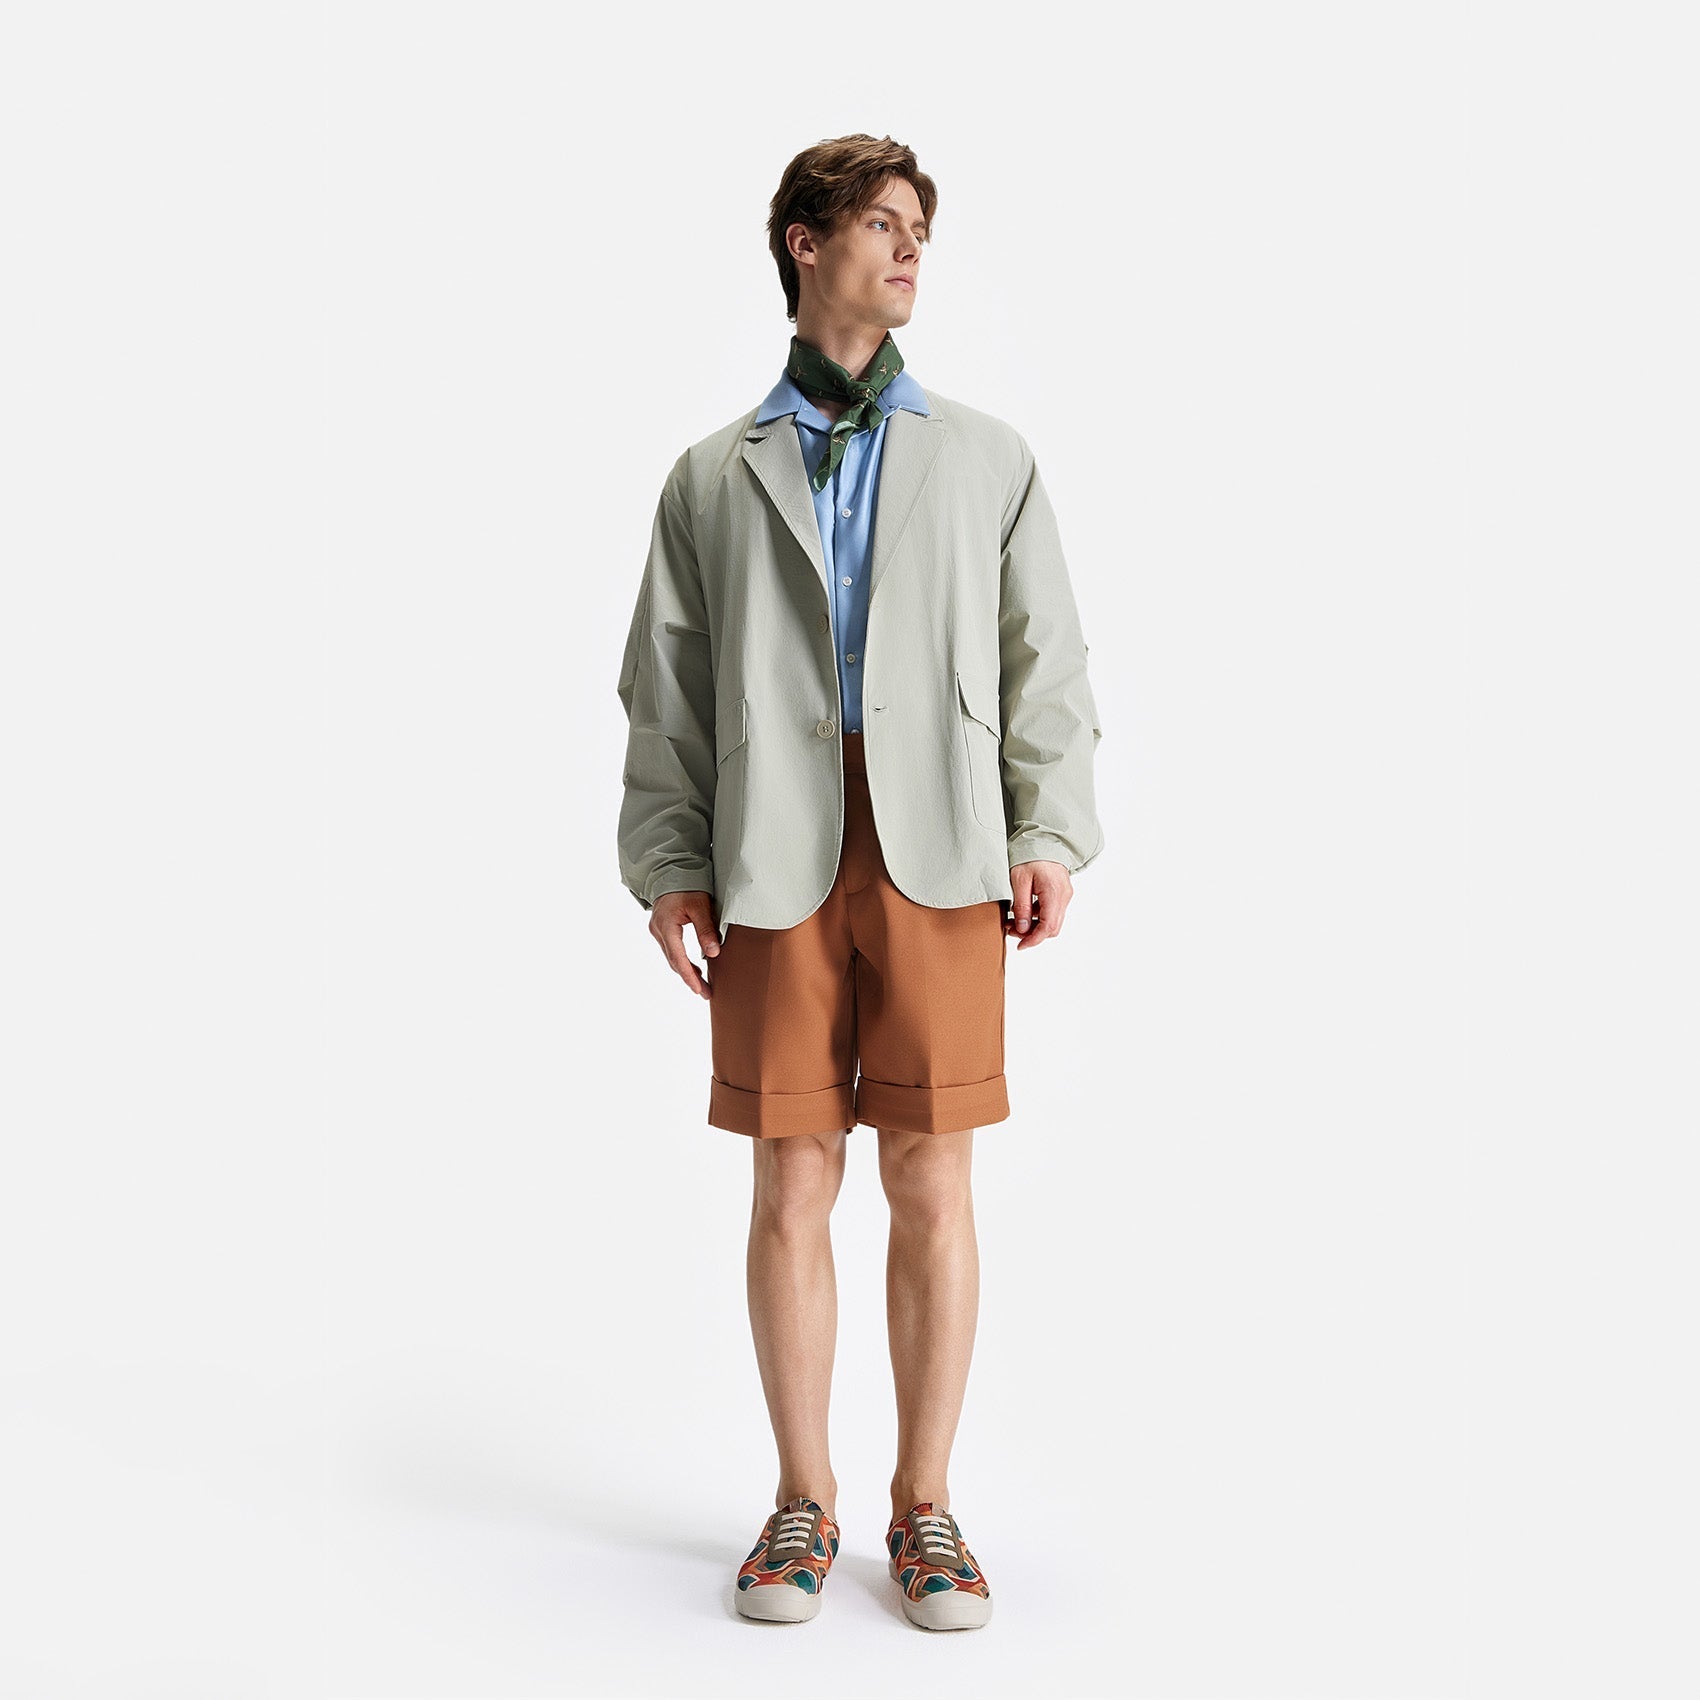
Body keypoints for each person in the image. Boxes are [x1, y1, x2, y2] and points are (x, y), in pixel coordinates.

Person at [615, 133, 1103, 1631]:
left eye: (918, 231)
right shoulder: (712, 476)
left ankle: (926, 1507)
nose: (909, 252)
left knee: (933, 1173)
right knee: (792, 1175)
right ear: (805, 243)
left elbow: (1044, 660)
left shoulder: (987, 458)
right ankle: (803, 1503)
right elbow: (666, 690)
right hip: (770, 845)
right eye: (883, 225)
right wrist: (670, 862)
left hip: (940, 838)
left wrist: (1045, 832)